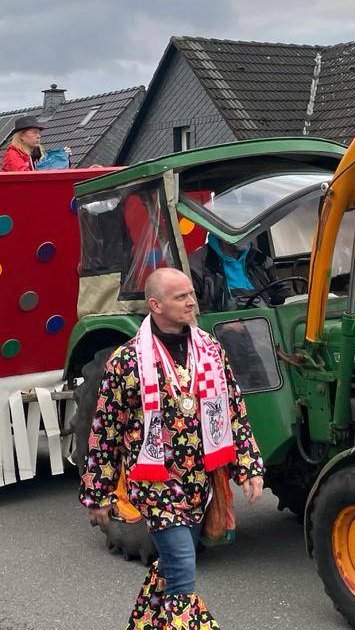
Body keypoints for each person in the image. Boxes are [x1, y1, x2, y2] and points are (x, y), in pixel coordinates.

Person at [80, 268, 265, 626]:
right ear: (156, 305)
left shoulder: (211, 350)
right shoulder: (126, 361)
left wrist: (249, 467)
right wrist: (99, 494)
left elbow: (233, 411)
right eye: (181, 297)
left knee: (171, 565)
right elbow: (106, 430)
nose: (192, 302)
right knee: (182, 571)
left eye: (191, 294)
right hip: (156, 485)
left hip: (198, 484)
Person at [188, 234, 286, 314]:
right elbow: (194, 310)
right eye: (239, 227)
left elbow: (279, 291)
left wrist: (282, 296)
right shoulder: (196, 266)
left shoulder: (260, 259)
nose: (245, 234)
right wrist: (224, 324)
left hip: (266, 323)